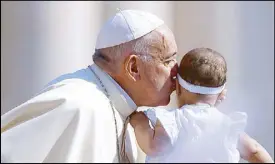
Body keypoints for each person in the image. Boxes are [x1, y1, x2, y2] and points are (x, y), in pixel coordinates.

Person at [1, 9, 180, 163]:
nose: (177, 71)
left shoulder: (131, 118)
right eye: (168, 60)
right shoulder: (76, 105)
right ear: (133, 68)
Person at [129, 48, 274, 163]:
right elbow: (255, 151)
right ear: (222, 94)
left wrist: (139, 122)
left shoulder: (173, 121)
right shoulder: (228, 127)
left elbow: (154, 146)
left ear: (178, 87)